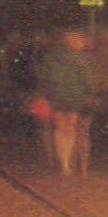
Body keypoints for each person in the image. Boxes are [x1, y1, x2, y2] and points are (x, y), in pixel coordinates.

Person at [37, 29, 95, 175]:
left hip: (56, 96)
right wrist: (90, 93)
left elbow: (44, 76)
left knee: (61, 129)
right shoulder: (81, 59)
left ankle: (64, 163)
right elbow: (87, 80)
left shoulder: (52, 57)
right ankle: (70, 162)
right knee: (72, 127)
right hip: (76, 96)